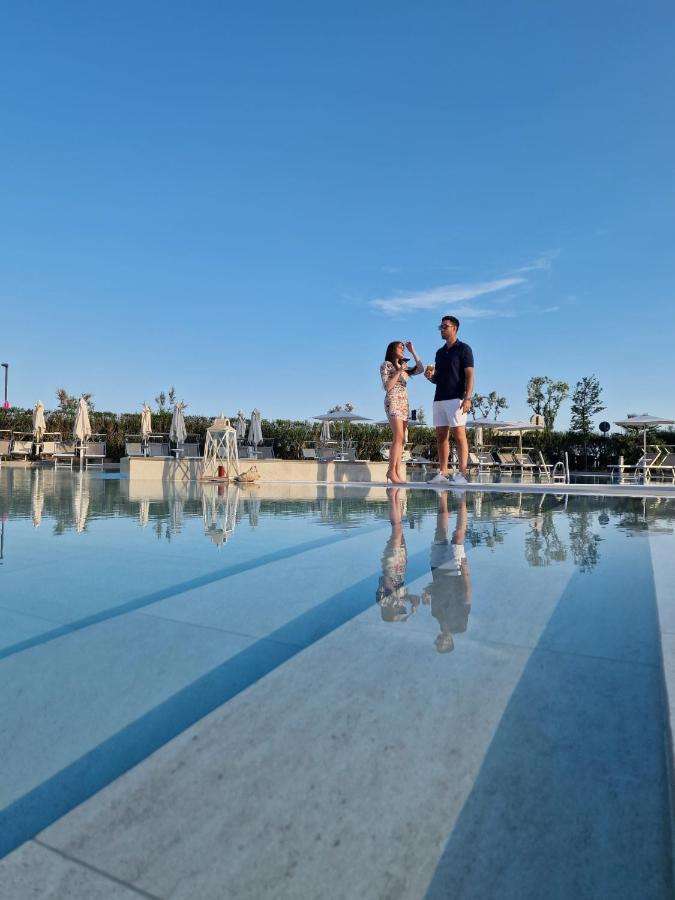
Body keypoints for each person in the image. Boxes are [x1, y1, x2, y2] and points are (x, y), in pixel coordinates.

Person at [424, 315, 474, 485]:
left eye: (445, 326)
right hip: (439, 398)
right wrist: (430, 377)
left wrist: (468, 398)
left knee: (460, 435)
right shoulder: (439, 352)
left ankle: (462, 474)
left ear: (455, 328)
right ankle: (443, 473)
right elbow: (437, 379)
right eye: (441, 326)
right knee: (440, 436)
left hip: (457, 398)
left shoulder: (464, 349)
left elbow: (470, 376)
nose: (442, 329)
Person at [422, 491, 472, 653]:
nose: (439, 641)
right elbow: (466, 596)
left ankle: (442, 495)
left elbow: (435, 588)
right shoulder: (460, 625)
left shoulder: (436, 615)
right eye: (442, 644)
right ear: (450, 642)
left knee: (440, 530)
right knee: (458, 537)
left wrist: (426, 592)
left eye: (437, 644)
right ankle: (461, 498)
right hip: (454, 573)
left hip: (437, 570)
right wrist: (465, 572)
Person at [380, 340, 423, 483]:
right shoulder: (386, 365)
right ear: (392, 349)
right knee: (398, 436)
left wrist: (413, 351)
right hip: (393, 401)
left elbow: (421, 369)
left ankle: (397, 471)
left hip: (404, 403)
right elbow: (387, 386)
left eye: (404, 348)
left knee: (402, 439)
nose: (403, 349)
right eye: (400, 347)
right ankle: (391, 471)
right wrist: (398, 371)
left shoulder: (403, 367)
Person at [376, 487, 421, 622]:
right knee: (399, 529)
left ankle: (392, 496)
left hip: (391, 567)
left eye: (398, 611)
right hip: (400, 567)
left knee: (397, 529)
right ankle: (395, 496)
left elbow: (385, 580)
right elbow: (416, 599)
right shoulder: (399, 603)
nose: (400, 608)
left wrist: (399, 597)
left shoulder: (383, 603)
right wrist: (411, 607)